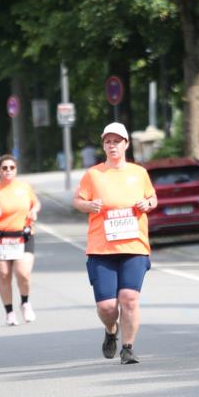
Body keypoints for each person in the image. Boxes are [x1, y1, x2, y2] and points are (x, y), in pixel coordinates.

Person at [73, 122, 157, 365]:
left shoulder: (138, 173)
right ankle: (111, 330)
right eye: (108, 142)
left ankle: (128, 348)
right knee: (107, 307)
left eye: (117, 141)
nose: (112, 146)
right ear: (103, 146)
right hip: (102, 249)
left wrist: (148, 204)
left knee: (129, 298)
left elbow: (152, 197)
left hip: (134, 246)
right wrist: (88, 205)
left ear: (126, 144)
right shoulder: (94, 174)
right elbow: (77, 200)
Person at [0, 155, 41, 326]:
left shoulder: (24, 187)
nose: (8, 170)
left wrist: (34, 211)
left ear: (16, 170)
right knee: (5, 276)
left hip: (23, 235)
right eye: (4, 168)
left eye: (11, 167)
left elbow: (36, 203)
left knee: (23, 273)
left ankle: (25, 302)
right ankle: (9, 312)